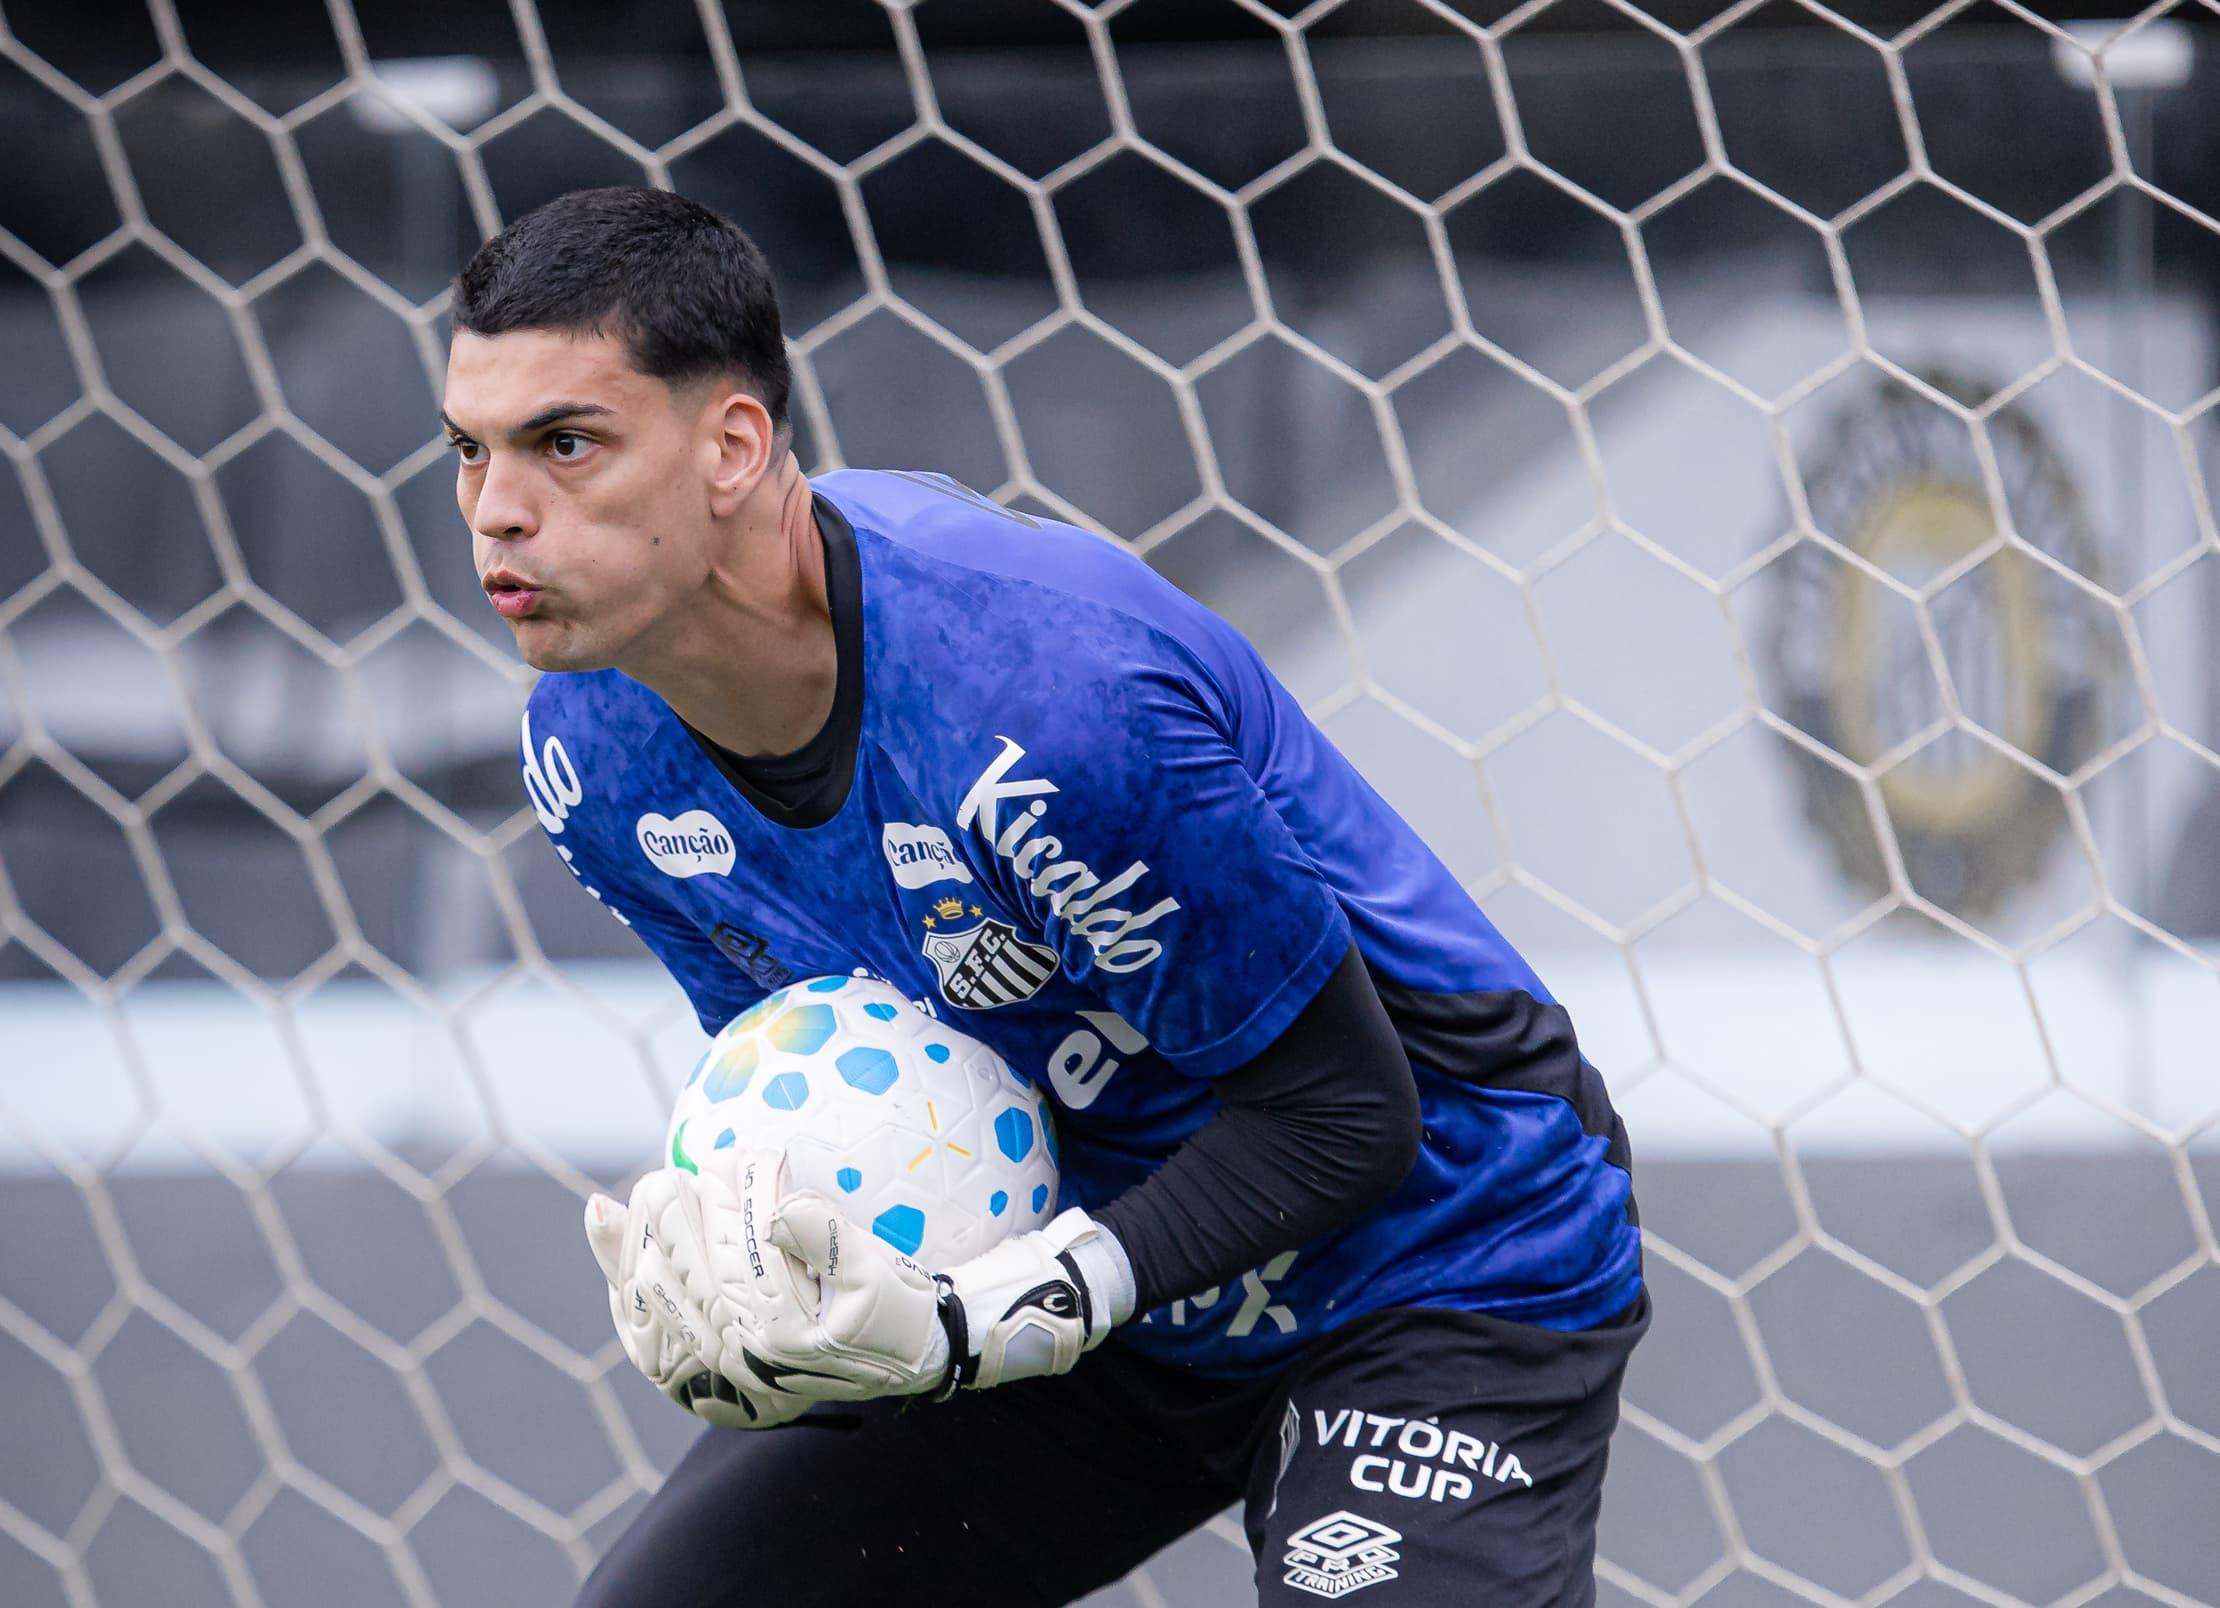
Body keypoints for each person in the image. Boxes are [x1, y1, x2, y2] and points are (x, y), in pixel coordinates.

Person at [445, 185, 1645, 1607]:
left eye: (563, 444)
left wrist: (1031, 1303)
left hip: (1426, 1264)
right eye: (466, 451)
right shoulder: (593, 757)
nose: (494, 511)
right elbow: (867, 1066)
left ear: (733, 446)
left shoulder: (1044, 701)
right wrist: (771, 1283)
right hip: (1073, 1294)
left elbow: (1345, 1116)